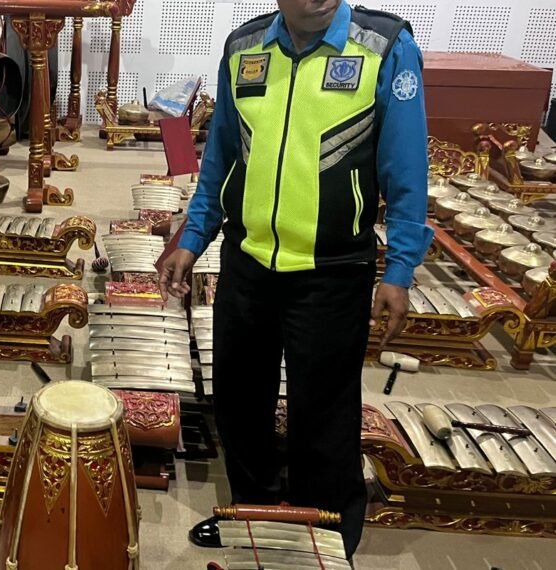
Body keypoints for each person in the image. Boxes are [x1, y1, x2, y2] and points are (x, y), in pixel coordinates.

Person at [159, 0, 432, 560]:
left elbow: (406, 172)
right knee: (238, 404)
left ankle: (327, 531)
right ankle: (254, 513)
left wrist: (400, 268)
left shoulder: (385, 47)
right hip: (248, 264)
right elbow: (221, 162)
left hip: (333, 271)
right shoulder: (244, 49)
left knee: (324, 415)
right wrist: (192, 238)